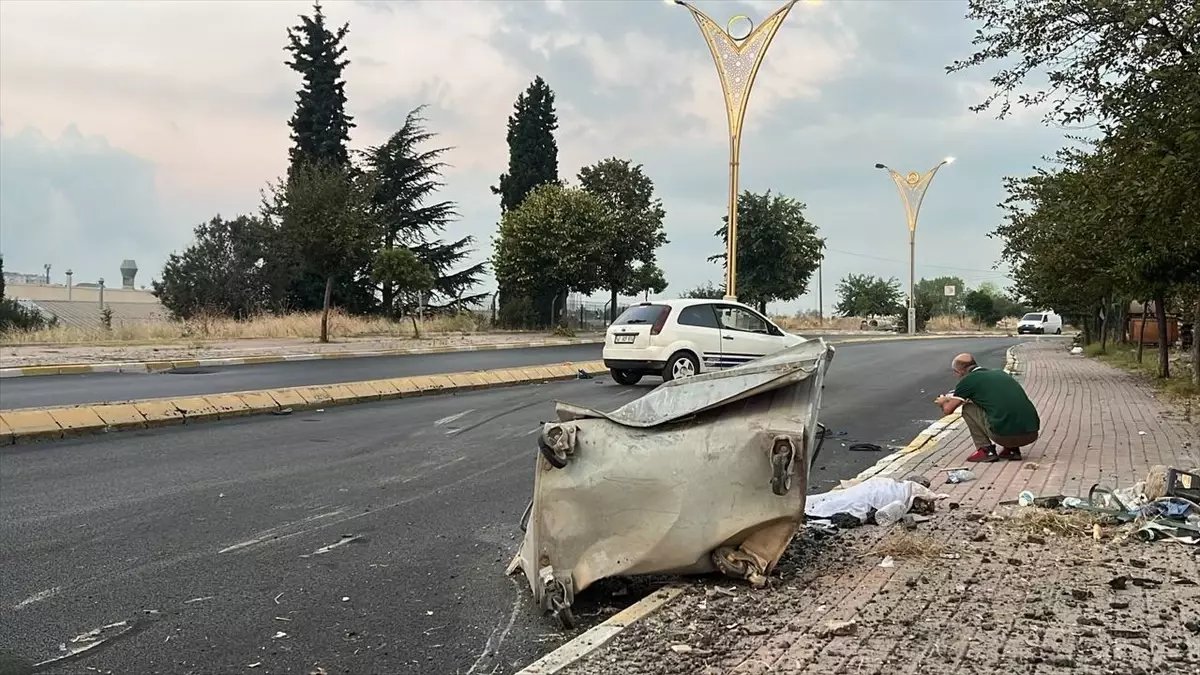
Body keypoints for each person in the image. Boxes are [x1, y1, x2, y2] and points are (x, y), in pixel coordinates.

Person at [934, 352, 1040, 463]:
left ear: (960, 371)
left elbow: (948, 410)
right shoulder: (1000, 374)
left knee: (968, 409)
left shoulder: (967, 381)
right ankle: (1012, 451)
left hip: (1004, 436)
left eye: (955, 373)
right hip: (1031, 433)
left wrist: (942, 401)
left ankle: (985, 450)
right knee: (1000, 407)